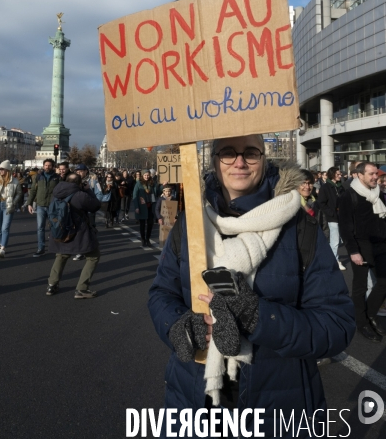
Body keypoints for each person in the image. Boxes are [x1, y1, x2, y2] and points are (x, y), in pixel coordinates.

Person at [148, 134, 355, 437]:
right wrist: (177, 327)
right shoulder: (190, 222)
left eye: (251, 153)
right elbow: (161, 293)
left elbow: (337, 324)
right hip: (193, 398)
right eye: (228, 152)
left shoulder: (300, 227)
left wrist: (261, 318)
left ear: (264, 158)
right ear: (214, 160)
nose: (240, 161)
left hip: (278, 406)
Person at [339, 161, 386, 342]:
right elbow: (345, 227)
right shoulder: (349, 196)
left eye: (376, 174)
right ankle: (362, 323)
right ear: (359, 175)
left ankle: (371, 314)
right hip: (361, 245)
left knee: (383, 283)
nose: (376, 177)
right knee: (360, 287)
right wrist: (353, 251)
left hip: (381, 244)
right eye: (371, 174)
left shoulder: (378, 194)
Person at [45, 173, 101, 298]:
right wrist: (88, 191)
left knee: (61, 255)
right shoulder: (80, 195)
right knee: (93, 256)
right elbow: (96, 206)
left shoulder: (56, 193)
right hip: (79, 232)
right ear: (79, 183)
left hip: (60, 230)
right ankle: (82, 288)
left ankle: (51, 284)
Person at [0, 161, 23, 257]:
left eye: (2, 169)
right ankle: (1, 245)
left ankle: (2, 248)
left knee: (5, 228)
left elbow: (19, 193)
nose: (0, 171)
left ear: (7, 170)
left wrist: (14, 202)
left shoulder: (15, 181)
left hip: (8, 205)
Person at [26, 158, 60, 257]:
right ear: (43, 166)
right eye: (46, 165)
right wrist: (29, 203)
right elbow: (33, 190)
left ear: (53, 166)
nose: (47, 167)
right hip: (40, 205)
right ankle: (41, 248)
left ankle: (55, 247)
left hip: (52, 206)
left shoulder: (57, 178)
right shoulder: (38, 177)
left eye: (49, 165)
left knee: (54, 227)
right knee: (40, 228)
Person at [317, 166, 345, 270]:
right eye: (338, 174)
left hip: (341, 217)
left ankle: (331, 257)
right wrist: (331, 213)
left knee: (339, 239)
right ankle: (335, 260)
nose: (340, 176)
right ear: (332, 175)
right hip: (333, 217)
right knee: (335, 240)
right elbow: (321, 203)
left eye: (340, 174)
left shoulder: (340, 186)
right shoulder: (325, 187)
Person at [298, 169, 329, 240]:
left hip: (315, 245)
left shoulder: (316, 204)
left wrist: (323, 242)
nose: (307, 187)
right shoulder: (291, 205)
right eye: (303, 183)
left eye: (310, 183)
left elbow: (324, 227)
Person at [133, 169, 156, 247]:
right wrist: (136, 207)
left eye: (148, 175)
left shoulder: (152, 183)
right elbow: (135, 196)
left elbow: (157, 191)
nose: (146, 176)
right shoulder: (138, 184)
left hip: (150, 205)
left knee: (150, 224)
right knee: (142, 224)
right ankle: (143, 239)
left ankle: (148, 239)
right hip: (142, 206)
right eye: (145, 175)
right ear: (142, 176)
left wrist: (163, 185)